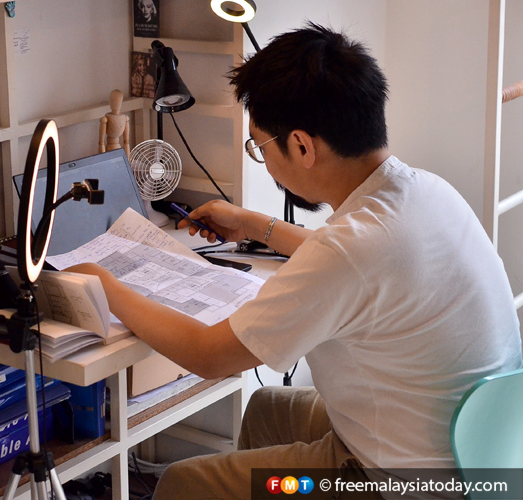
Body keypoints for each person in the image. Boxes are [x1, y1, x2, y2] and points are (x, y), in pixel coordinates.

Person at [67, 23, 523, 499]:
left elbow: (208, 356)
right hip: (474, 453)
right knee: (267, 409)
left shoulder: (351, 250)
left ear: (302, 146)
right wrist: (255, 224)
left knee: (185, 484)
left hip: (398, 482)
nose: (263, 158)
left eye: (260, 147)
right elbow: (365, 270)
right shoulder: (423, 191)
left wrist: (103, 282)